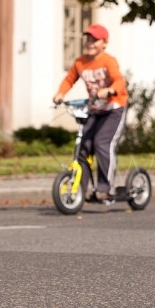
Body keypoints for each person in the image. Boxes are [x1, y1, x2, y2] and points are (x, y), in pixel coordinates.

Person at [52, 23, 128, 202]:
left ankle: (105, 188)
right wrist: (60, 94)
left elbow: (119, 82)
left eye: (95, 40)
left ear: (104, 43)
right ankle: (81, 189)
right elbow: (69, 79)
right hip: (95, 110)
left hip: (114, 108)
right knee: (83, 146)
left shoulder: (108, 60)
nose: (90, 43)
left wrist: (109, 90)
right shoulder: (80, 62)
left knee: (102, 142)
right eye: (88, 39)